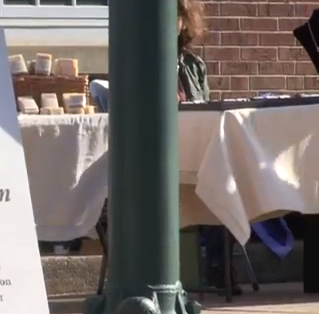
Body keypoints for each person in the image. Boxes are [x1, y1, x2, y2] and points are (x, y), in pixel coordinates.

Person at [89, 0, 240, 294]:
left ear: (186, 22)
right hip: (152, 163)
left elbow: (205, 108)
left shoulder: (193, 65)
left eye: (177, 17)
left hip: (196, 153)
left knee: (227, 175)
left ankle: (220, 264)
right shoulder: (135, 61)